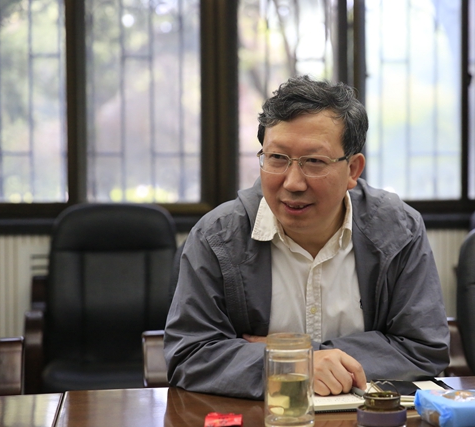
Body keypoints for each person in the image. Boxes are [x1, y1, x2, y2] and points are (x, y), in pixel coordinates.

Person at [164, 75, 450, 399]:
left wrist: (288, 355)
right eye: (277, 158)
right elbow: (189, 354)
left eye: (314, 161)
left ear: (353, 170)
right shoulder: (217, 237)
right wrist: (300, 364)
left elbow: (424, 349)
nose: (293, 182)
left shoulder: (398, 230)